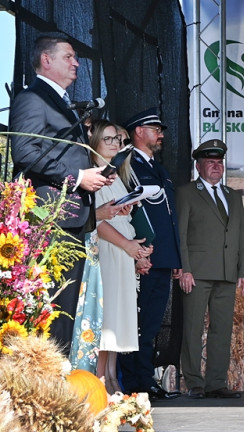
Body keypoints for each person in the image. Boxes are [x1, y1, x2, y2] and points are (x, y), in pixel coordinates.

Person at [8, 33, 114, 352]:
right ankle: (46, 383)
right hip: (48, 219)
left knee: (65, 309)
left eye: (76, 57)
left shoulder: (64, 105)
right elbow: (25, 151)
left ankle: (59, 380)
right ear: (46, 60)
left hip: (71, 218)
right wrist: (78, 176)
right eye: (68, 56)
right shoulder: (33, 98)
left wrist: (93, 177)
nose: (76, 63)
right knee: (50, 306)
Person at [176, 139, 244, 399]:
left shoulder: (232, 195)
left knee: (222, 329)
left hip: (227, 273)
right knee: (193, 329)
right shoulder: (186, 192)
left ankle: (216, 382)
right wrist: (184, 269)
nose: (216, 166)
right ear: (199, 166)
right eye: (211, 162)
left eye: (219, 162)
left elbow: (242, 235)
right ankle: (195, 382)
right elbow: (180, 235)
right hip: (196, 274)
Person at [121, 108, 182, 400]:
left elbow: (169, 217)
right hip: (141, 254)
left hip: (162, 256)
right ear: (138, 131)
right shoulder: (127, 164)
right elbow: (127, 213)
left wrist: (176, 259)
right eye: (155, 129)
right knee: (140, 323)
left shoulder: (158, 167)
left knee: (152, 323)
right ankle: (136, 381)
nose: (160, 135)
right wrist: (136, 252)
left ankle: (144, 380)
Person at [88, 120, 148, 394]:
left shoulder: (114, 176)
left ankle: (111, 377)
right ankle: (100, 381)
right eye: (109, 139)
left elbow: (113, 213)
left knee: (119, 317)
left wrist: (135, 245)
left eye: (118, 140)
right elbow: (97, 222)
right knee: (108, 317)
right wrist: (127, 245)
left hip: (122, 250)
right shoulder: (93, 175)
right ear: (96, 141)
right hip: (109, 251)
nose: (115, 144)